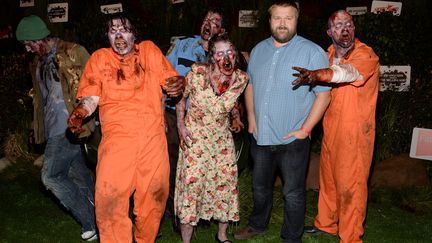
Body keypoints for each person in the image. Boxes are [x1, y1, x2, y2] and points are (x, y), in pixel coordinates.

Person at [67, 14, 184, 243]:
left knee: (153, 200)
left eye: (124, 29)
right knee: (109, 201)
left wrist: (178, 85)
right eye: (113, 31)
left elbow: (172, 82)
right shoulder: (100, 59)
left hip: (152, 141)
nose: (119, 35)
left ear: (134, 35)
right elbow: (91, 98)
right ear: (108, 37)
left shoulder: (149, 51)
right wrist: (79, 113)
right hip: (117, 143)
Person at [233, 1, 331, 242]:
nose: (283, 23)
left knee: (293, 193)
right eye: (277, 17)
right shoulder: (257, 51)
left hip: (293, 139)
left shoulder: (313, 52)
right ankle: (257, 225)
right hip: (261, 135)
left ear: (297, 20)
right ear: (270, 21)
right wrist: (252, 119)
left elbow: (324, 95)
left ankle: (291, 237)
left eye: (289, 17)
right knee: (259, 188)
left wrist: (305, 129)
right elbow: (251, 85)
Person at [292, 10, 379, 243]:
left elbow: (347, 73)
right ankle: (327, 225)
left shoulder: (365, 54)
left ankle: (350, 237)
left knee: (351, 185)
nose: (345, 29)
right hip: (331, 130)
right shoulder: (327, 54)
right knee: (329, 180)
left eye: (349, 24)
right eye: (339, 25)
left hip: (356, 133)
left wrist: (318, 74)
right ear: (330, 32)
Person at [15, 15, 97, 241]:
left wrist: (88, 118)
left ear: (39, 37)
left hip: (71, 126)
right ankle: (103, 216)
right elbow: (43, 100)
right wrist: (37, 128)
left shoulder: (74, 51)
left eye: (29, 43)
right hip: (54, 129)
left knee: (50, 177)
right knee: (79, 176)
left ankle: (90, 220)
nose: (28, 49)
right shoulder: (38, 61)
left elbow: (96, 83)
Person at [164, 6, 242, 230]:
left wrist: (235, 116)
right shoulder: (183, 44)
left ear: (222, 29)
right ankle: (178, 216)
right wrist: (161, 114)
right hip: (175, 114)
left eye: (215, 21)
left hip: (209, 123)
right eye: (206, 20)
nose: (209, 24)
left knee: (207, 170)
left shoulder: (225, 53)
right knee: (175, 169)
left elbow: (232, 90)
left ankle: (202, 213)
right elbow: (163, 75)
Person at [175, 33, 248, 243]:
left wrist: (235, 117)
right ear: (211, 56)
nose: (226, 57)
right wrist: (180, 125)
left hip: (221, 140)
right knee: (193, 186)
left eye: (230, 52)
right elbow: (181, 96)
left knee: (225, 184)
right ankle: (186, 241)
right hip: (195, 137)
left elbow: (231, 102)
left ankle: (222, 235)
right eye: (220, 53)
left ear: (235, 54)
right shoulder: (197, 73)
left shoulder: (241, 79)